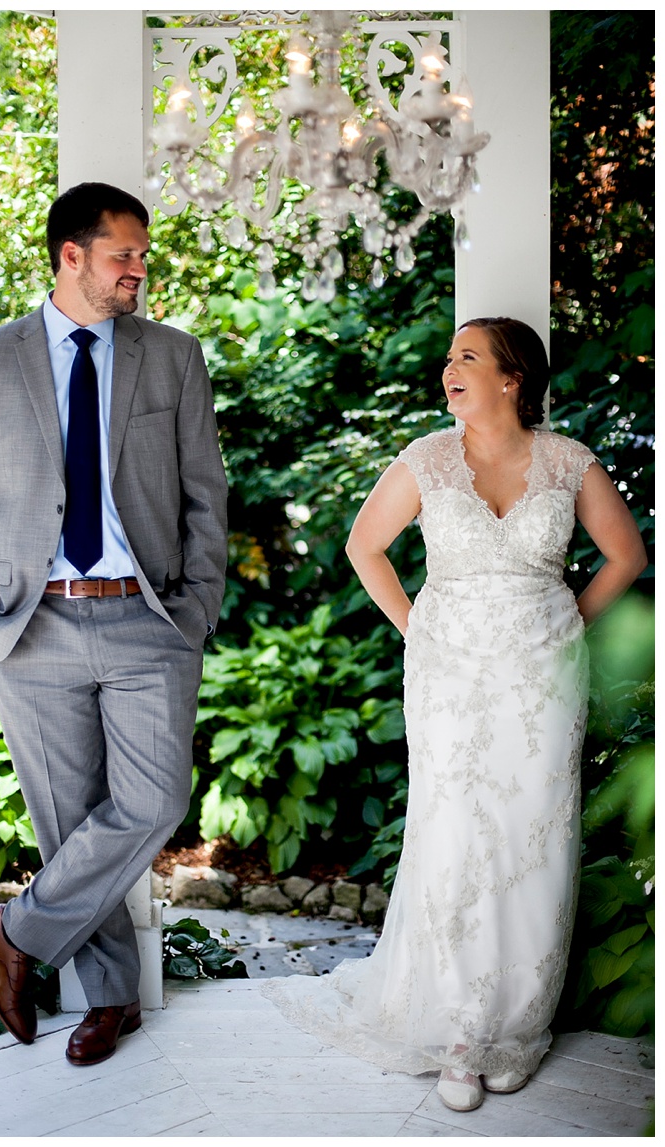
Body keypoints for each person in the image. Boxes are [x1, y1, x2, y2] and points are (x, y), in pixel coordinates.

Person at [262, 316, 647, 1112]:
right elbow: (365, 547)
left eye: (467, 357)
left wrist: (570, 616)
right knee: (458, 831)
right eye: (448, 358)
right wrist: (418, 629)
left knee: (532, 832)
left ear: (512, 377)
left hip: (544, 675)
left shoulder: (569, 460)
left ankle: (518, 1025)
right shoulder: (428, 458)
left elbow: (628, 555)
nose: (449, 369)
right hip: (450, 676)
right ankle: (461, 1032)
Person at [0, 182, 228, 1066]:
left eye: (141, 255)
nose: (139, 268)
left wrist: (194, 613)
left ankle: (12, 930)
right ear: (73, 256)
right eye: (124, 255)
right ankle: (108, 1000)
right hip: (33, 626)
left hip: (147, 619)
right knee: (69, 823)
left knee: (154, 801)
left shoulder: (172, 357)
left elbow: (204, 497)